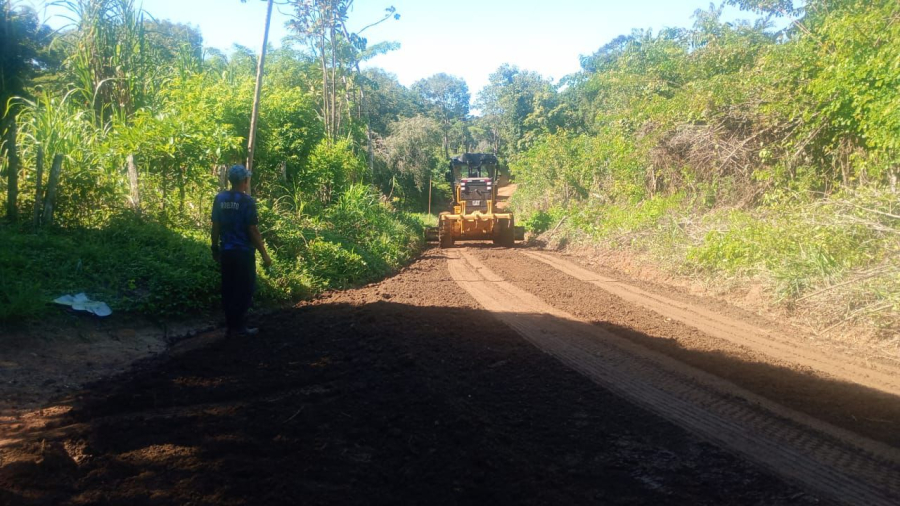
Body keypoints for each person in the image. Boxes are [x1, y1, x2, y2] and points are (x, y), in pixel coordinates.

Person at [211, 164, 272, 336]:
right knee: (244, 288)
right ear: (244, 181)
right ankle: (239, 327)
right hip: (243, 252)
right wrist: (265, 254)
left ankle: (231, 326)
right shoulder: (247, 201)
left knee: (229, 288)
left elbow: (216, 226)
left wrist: (214, 247)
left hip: (227, 251)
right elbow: (252, 229)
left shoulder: (220, 199)